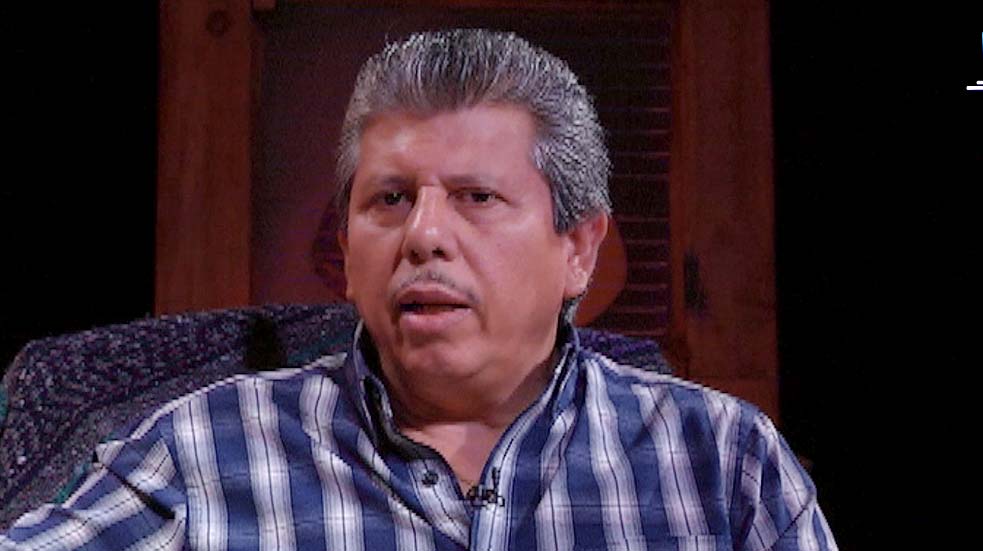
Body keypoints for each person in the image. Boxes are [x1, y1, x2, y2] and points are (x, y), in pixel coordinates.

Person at [1, 29, 836, 550]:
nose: (424, 235)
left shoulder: (722, 462)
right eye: (391, 199)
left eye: (476, 197)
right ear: (347, 251)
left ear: (579, 250)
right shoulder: (204, 450)